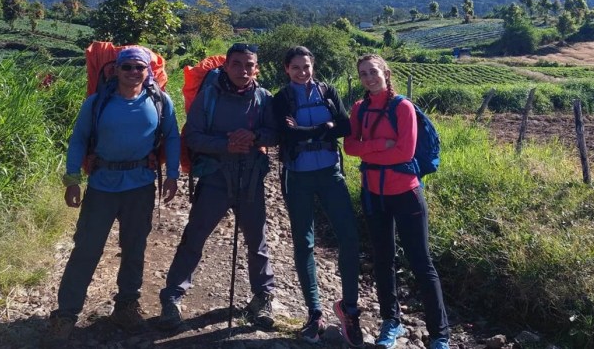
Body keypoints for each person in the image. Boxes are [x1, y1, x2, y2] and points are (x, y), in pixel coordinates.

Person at [47, 46, 180, 342]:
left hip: (141, 187)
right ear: (115, 70)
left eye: (139, 68)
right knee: (86, 250)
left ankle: (126, 306)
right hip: (102, 186)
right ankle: (66, 315)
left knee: (134, 249)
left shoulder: (160, 101)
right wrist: (72, 179)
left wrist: (173, 175)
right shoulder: (96, 103)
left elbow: (172, 136)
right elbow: (79, 139)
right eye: (127, 67)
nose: (133, 73)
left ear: (148, 72)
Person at [158, 43, 279, 330]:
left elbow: (275, 134)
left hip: (250, 178)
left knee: (257, 241)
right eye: (237, 64)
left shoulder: (264, 98)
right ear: (226, 66)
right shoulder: (208, 96)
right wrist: (227, 144)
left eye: (249, 65)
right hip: (215, 178)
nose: (243, 70)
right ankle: (172, 297)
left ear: (256, 68)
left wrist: (252, 137)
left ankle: (262, 298)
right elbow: (194, 137)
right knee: (195, 236)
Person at [344, 54, 450, 349]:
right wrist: (378, 147)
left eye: (373, 72)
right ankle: (391, 322)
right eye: (363, 73)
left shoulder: (402, 107)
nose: (368, 78)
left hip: (405, 193)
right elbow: (350, 147)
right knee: (382, 261)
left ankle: (440, 335)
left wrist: (368, 151)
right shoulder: (358, 109)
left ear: (386, 73)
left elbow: (404, 153)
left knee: (421, 263)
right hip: (373, 193)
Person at [272, 46, 363, 346]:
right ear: (287, 69)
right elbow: (285, 134)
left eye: (307, 66)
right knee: (304, 243)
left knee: (349, 237)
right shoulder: (282, 98)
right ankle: (315, 312)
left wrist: (306, 129)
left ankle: (349, 308)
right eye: (296, 67)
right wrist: (324, 128)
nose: (302, 71)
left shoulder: (328, 91)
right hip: (297, 176)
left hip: (330, 174)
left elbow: (346, 126)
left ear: (313, 66)